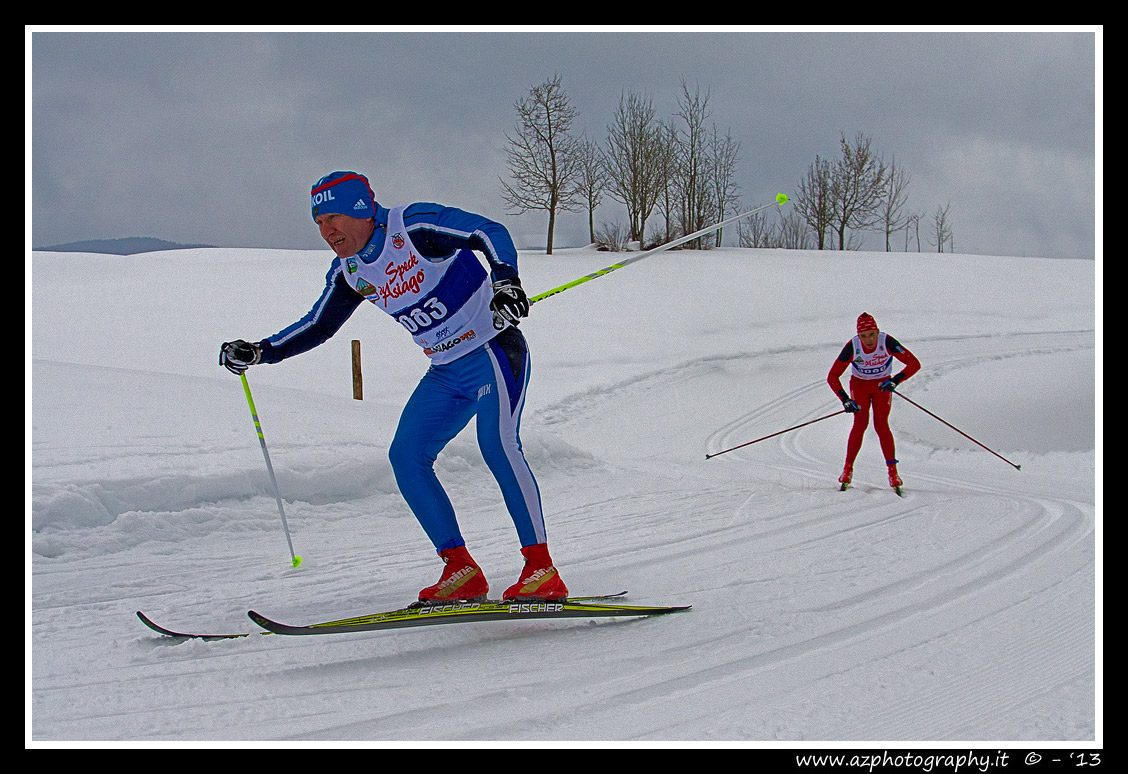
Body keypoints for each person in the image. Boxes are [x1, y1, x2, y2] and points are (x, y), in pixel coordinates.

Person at [219, 171, 568, 603]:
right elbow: (318, 325)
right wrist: (261, 351)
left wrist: (505, 279)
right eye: (319, 223)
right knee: (406, 456)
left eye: (334, 217)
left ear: (361, 211)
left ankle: (541, 569)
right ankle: (461, 569)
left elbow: (486, 231)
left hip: (493, 351)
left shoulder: (415, 227)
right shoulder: (349, 271)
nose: (327, 231)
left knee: (496, 444)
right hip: (445, 371)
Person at [827, 312, 921, 490]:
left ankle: (893, 472)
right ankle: (847, 470)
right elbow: (832, 376)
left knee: (881, 425)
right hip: (860, 386)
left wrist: (895, 381)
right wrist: (845, 399)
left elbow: (914, 364)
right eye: (863, 336)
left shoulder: (887, 342)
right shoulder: (853, 347)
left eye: (871, 334)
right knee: (860, 424)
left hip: (881, 387)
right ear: (858, 336)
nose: (868, 340)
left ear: (877, 331)